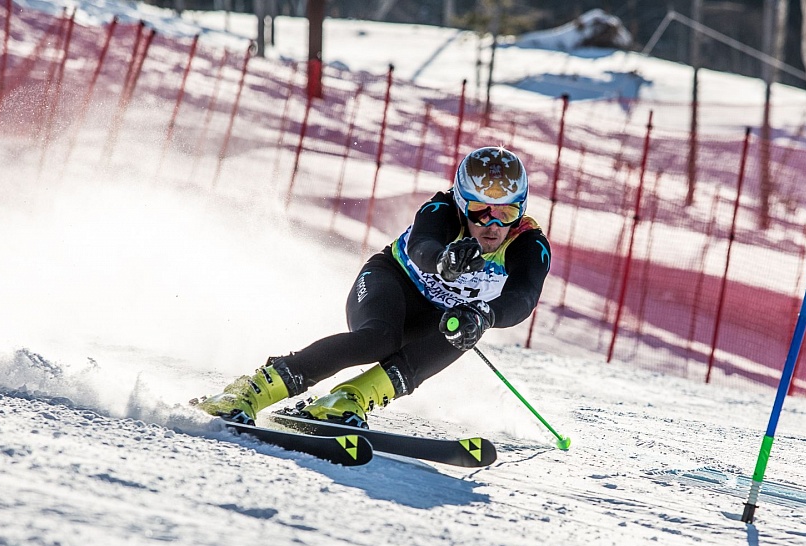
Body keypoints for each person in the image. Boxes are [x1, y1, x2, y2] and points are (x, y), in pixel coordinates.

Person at [195, 146, 552, 428]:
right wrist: (443, 261)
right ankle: (250, 390)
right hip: (391, 282)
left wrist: (485, 314)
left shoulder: (528, 245)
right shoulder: (441, 210)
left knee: (461, 333)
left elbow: (523, 297)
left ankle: (347, 399)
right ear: (461, 203)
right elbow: (422, 246)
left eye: (506, 214)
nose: (492, 225)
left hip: (439, 316)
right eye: (480, 210)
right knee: (379, 338)